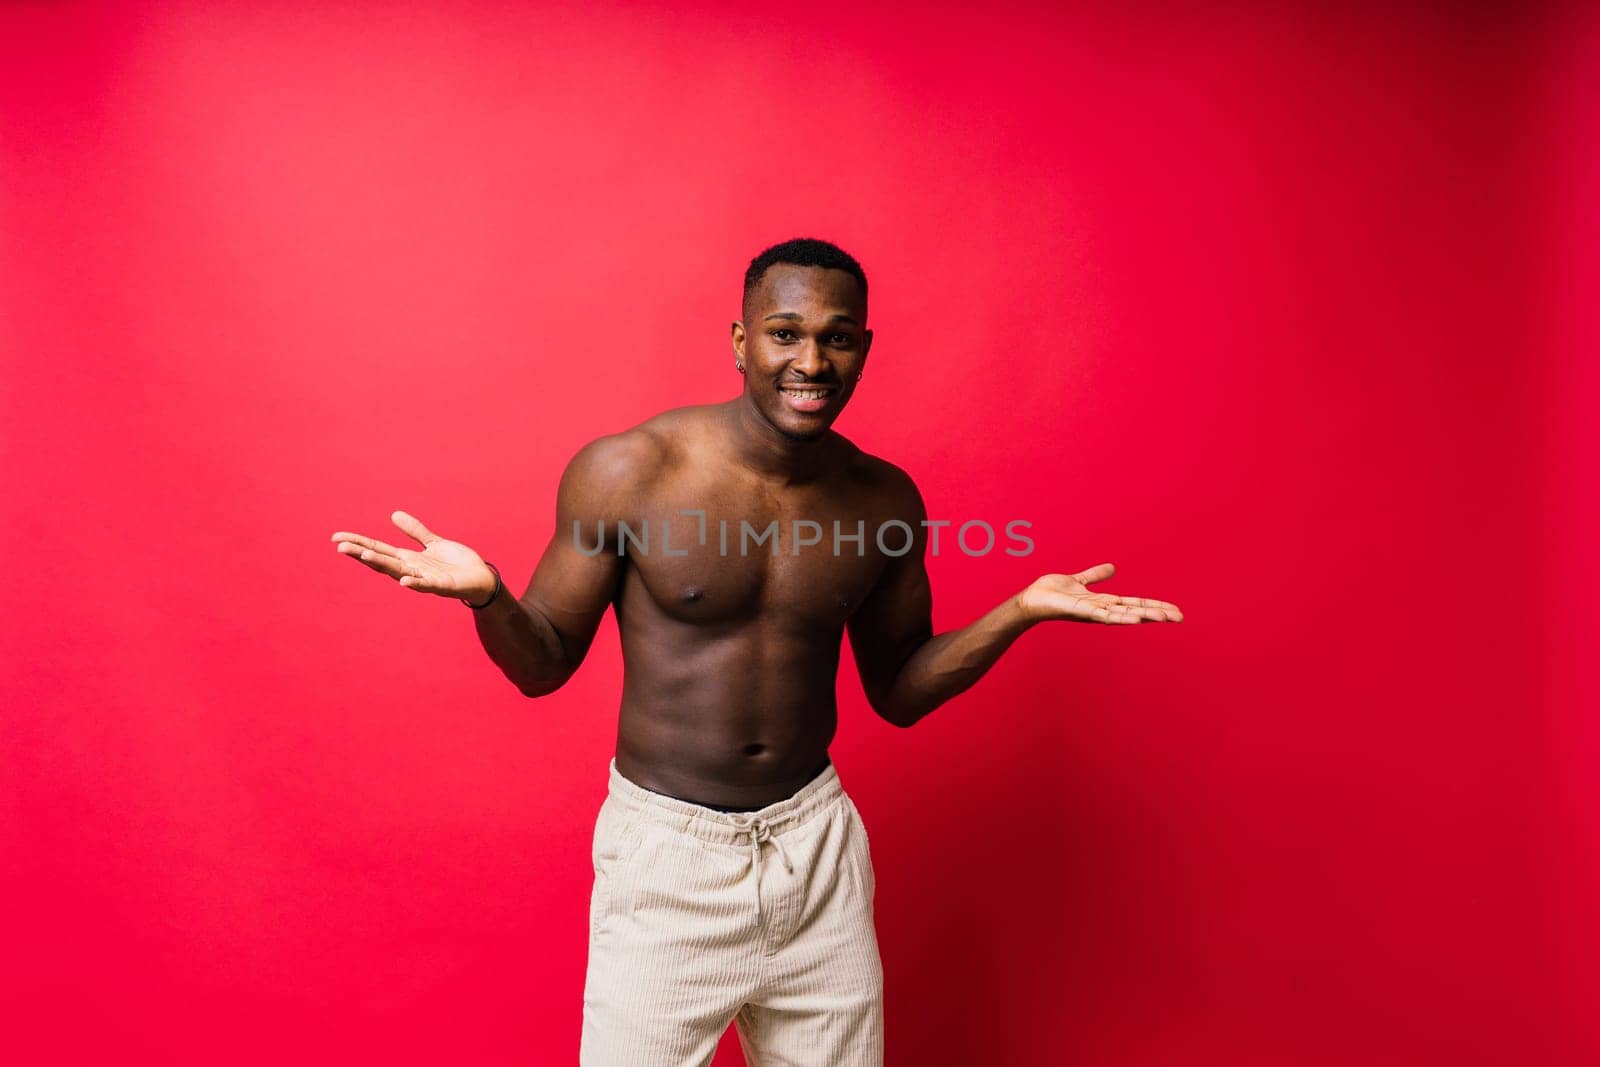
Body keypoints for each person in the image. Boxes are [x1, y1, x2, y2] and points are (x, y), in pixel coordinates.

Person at [330, 238, 1183, 1065]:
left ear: (863, 349)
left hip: (816, 853)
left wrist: (1019, 610)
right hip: (669, 855)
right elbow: (543, 663)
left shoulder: (883, 498)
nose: (810, 361)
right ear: (741, 341)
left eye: (836, 338)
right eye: (785, 333)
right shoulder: (628, 472)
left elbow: (899, 690)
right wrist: (489, 597)